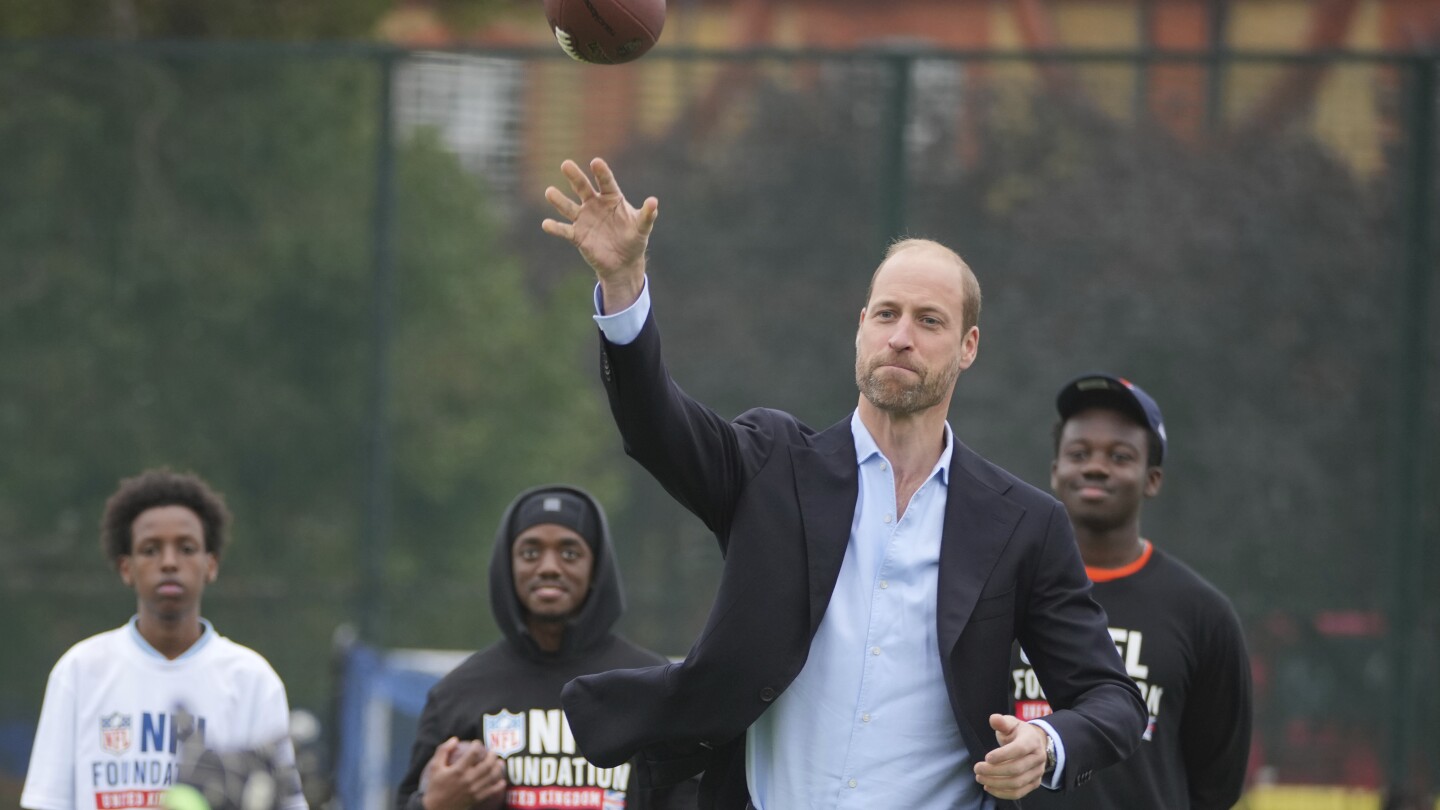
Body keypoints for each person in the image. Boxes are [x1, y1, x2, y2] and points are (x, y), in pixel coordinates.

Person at [539, 157, 1147, 810]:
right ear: (861, 326)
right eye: (886, 314)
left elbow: (1112, 701)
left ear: (969, 346)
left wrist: (1047, 745)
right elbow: (657, 427)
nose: (901, 338)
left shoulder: (1025, 524)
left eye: (929, 321)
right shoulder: (771, 464)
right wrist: (625, 287)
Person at [1010, 374, 1253, 809]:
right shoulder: (1004, 594)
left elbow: (1216, 782)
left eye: (1120, 456)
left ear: (1152, 478)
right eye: (1078, 453)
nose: (1095, 466)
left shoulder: (1203, 614)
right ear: (1055, 471)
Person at [394, 484, 697, 810]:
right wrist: (433, 805)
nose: (549, 567)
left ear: (596, 568)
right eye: (530, 552)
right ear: (507, 566)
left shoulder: (649, 685)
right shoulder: (457, 693)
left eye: (570, 553)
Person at [21, 468, 307, 810]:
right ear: (126, 567)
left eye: (186, 548)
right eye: (150, 549)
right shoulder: (79, 672)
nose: (169, 562)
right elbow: (46, 803)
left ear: (210, 564)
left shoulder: (252, 680)